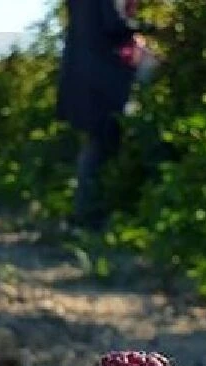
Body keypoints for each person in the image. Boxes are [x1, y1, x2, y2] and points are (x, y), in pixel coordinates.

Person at [56, 0, 153, 230]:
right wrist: (148, 27)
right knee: (99, 148)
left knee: (95, 146)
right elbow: (112, 26)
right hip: (102, 79)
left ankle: (87, 213)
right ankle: (89, 216)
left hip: (84, 77)